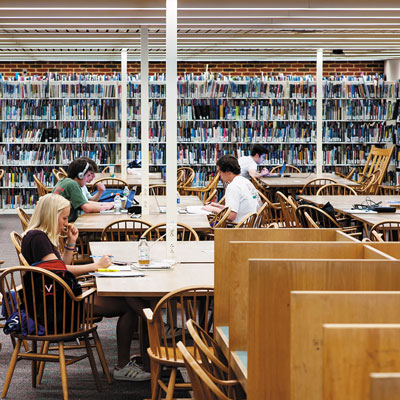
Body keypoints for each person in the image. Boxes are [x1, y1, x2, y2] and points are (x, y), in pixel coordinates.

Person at [21, 193, 151, 381]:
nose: (66, 223)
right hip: (57, 306)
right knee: (129, 306)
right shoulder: (38, 239)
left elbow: (60, 268)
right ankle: (126, 362)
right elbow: (60, 271)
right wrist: (95, 266)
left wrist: (71, 242)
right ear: (51, 215)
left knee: (128, 298)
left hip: (56, 298)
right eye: (64, 218)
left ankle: (154, 328)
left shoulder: (38, 236)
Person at [203, 155, 261, 223]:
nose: (219, 175)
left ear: (228, 172)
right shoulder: (245, 181)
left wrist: (212, 209)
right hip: (253, 225)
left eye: (220, 172)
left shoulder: (233, 187)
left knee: (206, 223)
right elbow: (237, 208)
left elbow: (230, 216)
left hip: (241, 227)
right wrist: (218, 206)